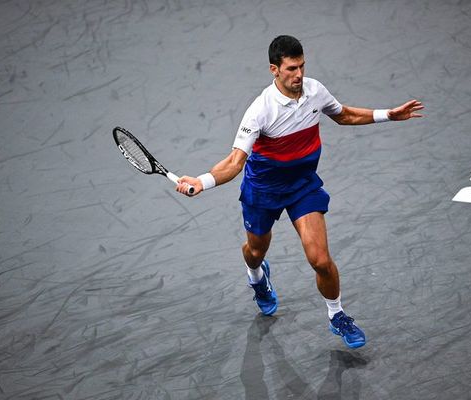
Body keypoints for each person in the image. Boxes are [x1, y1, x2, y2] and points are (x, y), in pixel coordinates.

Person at [176, 35, 423, 349]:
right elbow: (235, 162)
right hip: (263, 190)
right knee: (255, 251)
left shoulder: (315, 91)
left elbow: (343, 115)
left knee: (320, 259)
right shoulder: (260, 111)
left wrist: (388, 114)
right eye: (291, 68)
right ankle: (257, 277)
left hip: (302, 186)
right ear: (274, 70)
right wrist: (202, 180)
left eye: (302, 66)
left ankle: (337, 315)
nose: (299, 75)